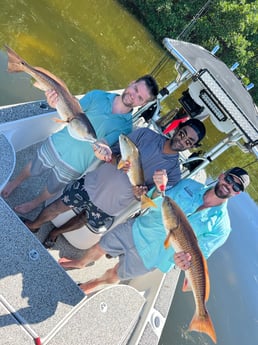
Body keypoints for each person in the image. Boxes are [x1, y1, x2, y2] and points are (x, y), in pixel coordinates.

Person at [57, 166, 250, 294]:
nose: (229, 186)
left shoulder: (223, 227)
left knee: (116, 273)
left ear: (237, 193)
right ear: (222, 175)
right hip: (138, 228)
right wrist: (158, 188)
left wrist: (182, 262)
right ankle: (80, 263)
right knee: (101, 246)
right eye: (230, 180)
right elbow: (155, 198)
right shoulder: (190, 185)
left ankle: (89, 286)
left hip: (154, 256)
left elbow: (200, 254)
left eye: (236, 187)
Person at [22, 118, 206, 248]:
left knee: (84, 218)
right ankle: (34, 224)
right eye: (182, 134)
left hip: (113, 205)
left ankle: (55, 233)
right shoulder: (145, 135)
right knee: (58, 205)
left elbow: (149, 199)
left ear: (192, 147)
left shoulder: (174, 174)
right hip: (92, 184)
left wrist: (149, 190)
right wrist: (119, 160)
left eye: (189, 141)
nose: (182, 140)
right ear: (178, 129)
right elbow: (111, 154)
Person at [1, 75, 159, 213]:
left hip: (76, 164)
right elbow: (70, 112)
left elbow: (104, 143)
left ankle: (34, 203)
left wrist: (102, 151)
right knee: (34, 165)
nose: (134, 96)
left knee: (52, 187)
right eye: (136, 89)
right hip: (59, 143)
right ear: (131, 83)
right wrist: (54, 103)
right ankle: (14, 182)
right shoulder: (97, 95)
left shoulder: (126, 128)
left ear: (142, 104)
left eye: (140, 98)